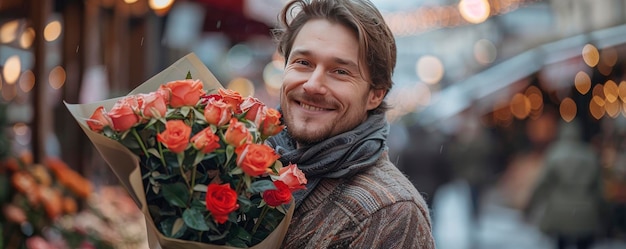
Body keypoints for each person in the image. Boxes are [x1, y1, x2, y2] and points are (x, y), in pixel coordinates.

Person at [267, 0, 436, 248]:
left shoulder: (391, 213)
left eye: (340, 72)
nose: (313, 84)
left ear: (375, 94)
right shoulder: (244, 161)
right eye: (303, 63)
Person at [524, 120, 605, 249]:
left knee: (561, 243)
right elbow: (599, 189)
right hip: (585, 213)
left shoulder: (554, 153)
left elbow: (542, 184)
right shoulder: (590, 154)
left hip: (560, 212)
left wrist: (529, 207)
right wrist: (604, 214)